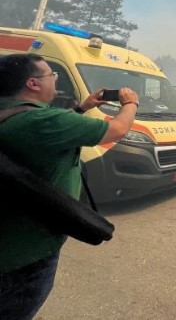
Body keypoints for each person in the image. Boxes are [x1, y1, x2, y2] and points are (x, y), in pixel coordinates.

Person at [0, 53, 139, 319]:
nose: (55, 79)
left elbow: (45, 127)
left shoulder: (14, 113)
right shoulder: (44, 122)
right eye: (51, 75)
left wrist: (83, 107)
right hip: (25, 252)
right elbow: (118, 129)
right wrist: (130, 103)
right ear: (33, 83)